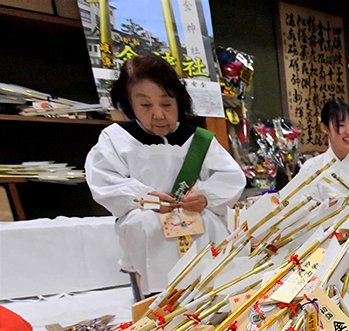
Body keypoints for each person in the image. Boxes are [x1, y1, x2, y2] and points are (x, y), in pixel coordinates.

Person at [85, 55, 246, 299]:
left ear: (179, 101)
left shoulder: (198, 140)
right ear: (129, 103)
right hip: (147, 226)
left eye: (167, 104)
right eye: (146, 105)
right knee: (145, 225)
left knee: (211, 230)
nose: (158, 115)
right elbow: (104, 181)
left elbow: (231, 178)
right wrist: (144, 197)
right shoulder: (116, 139)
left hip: (198, 226)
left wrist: (205, 196)